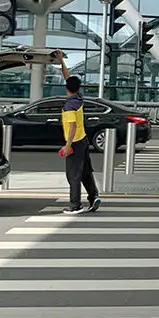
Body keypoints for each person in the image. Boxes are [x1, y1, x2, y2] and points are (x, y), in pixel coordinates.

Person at [54, 50, 100, 215]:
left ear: (66, 88)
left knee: (73, 175)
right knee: (85, 171)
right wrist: (61, 62)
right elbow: (68, 78)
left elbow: (72, 126)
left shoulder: (69, 106)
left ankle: (75, 205)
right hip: (84, 140)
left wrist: (67, 146)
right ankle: (93, 196)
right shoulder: (79, 98)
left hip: (74, 142)